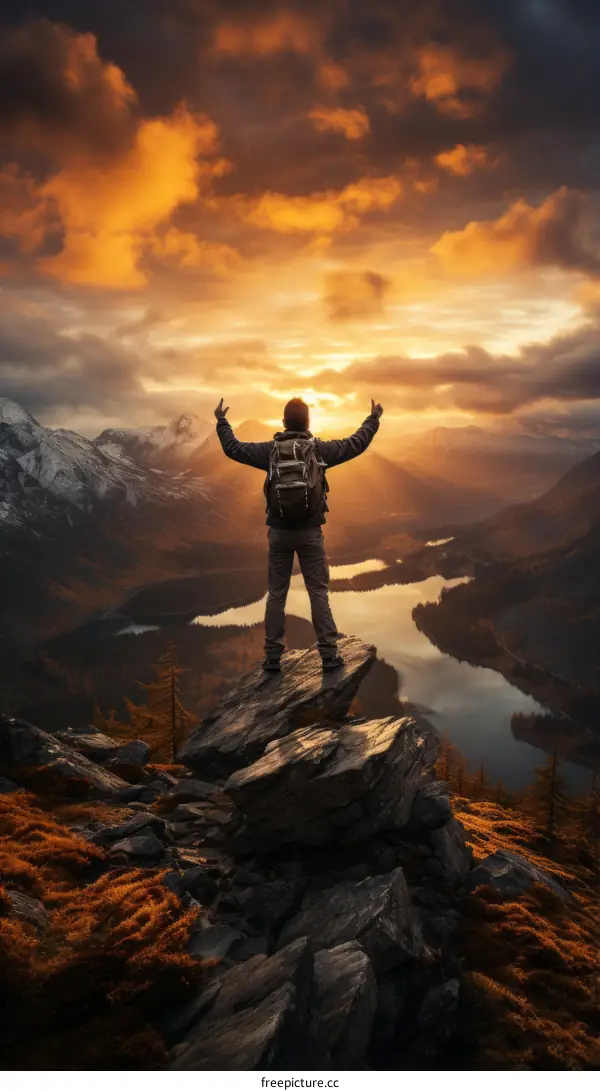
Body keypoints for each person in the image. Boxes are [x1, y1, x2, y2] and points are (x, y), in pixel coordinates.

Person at [214, 395, 383, 671]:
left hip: (279, 533)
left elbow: (233, 448)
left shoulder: (270, 451)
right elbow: (356, 444)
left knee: (276, 593)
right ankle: (329, 654)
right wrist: (373, 418)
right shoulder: (318, 450)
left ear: (283, 422)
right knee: (317, 591)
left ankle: (272, 658)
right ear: (308, 422)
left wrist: (222, 421)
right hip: (310, 533)